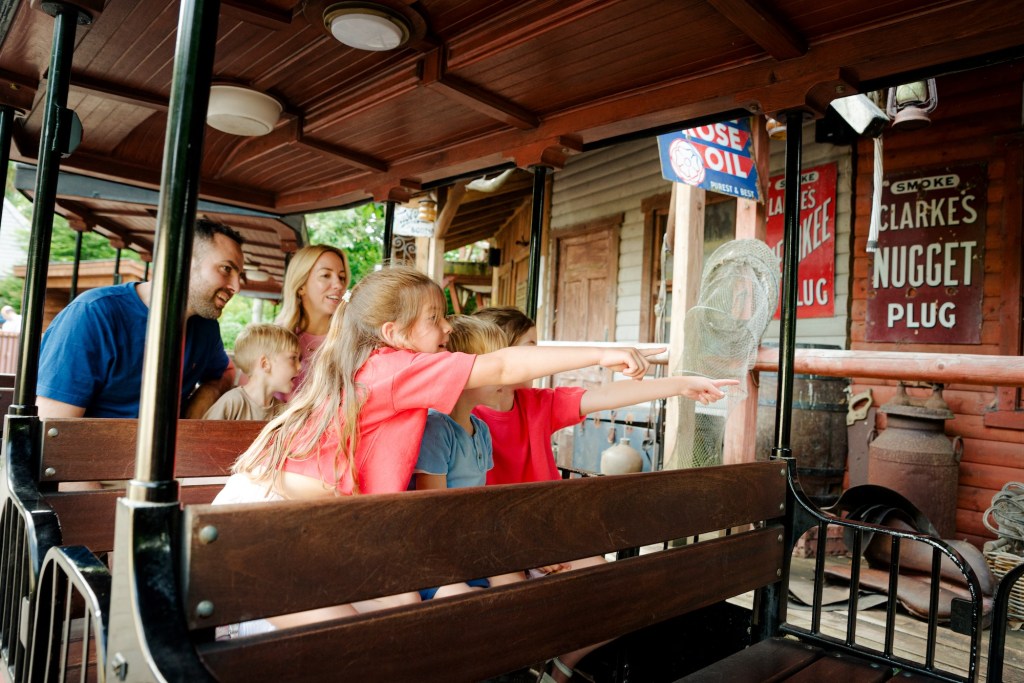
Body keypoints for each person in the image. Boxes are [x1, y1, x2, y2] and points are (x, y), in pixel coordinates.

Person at [472, 306, 737, 483]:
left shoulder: (539, 404)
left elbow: (609, 394)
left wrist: (680, 384)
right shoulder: (464, 411)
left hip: (543, 531)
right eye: (532, 349)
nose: (543, 359)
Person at [36, 219, 243, 418]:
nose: (237, 286)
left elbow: (225, 371)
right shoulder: (94, 314)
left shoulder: (205, 327)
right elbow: (52, 431)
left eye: (238, 274)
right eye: (226, 269)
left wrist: (199, 406)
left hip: (169, 452)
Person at [274, 244, 349, 397]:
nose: (339, 285)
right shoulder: (273, 339)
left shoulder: (351, 340)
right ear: (301, 286)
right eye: (326, 275)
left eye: (341, 277)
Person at [204, 324, 300, 421]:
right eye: (293, 358)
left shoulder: (283, 413)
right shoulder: (231, 403)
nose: (299, 366)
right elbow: (203, 434)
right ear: (265, 364)